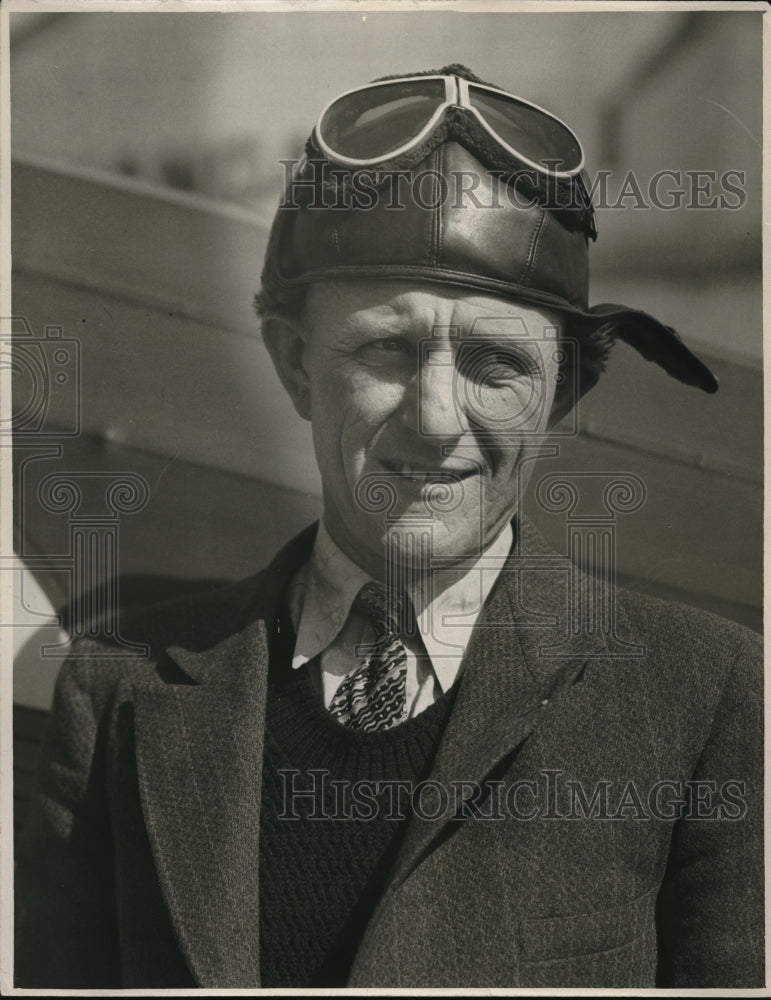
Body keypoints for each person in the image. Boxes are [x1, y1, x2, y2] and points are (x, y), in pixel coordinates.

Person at [15, 65, 763, 990]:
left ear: (561, 393)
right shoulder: (120, 688)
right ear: (295, 364)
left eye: (494, 363)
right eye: (387, 350)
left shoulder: (707, 699)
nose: (437, 418)